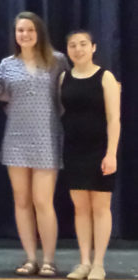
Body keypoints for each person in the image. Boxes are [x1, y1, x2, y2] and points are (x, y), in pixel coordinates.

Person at [0, 11, 69, 277]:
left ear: (39, 32)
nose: (25, 34)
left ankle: (49, 260)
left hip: (47, 136)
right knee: (21, 201)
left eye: (30, 30)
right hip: (16, 137)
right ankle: (31, 258)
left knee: (43, 201)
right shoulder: (7, 64)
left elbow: (71, 93)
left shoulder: (57, 61)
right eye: (20, 30)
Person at [60, 31, 120, 280]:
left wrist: (111, 154)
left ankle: (98, 264)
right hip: (73, 150)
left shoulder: (105, 77)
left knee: (100, 208)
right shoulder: (64, 77)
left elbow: (114, 118)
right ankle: (84, 262)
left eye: (83, 44)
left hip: (99, 151)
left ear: (93, 47)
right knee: (80, 209)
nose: (78, 49)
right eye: (72, 45)